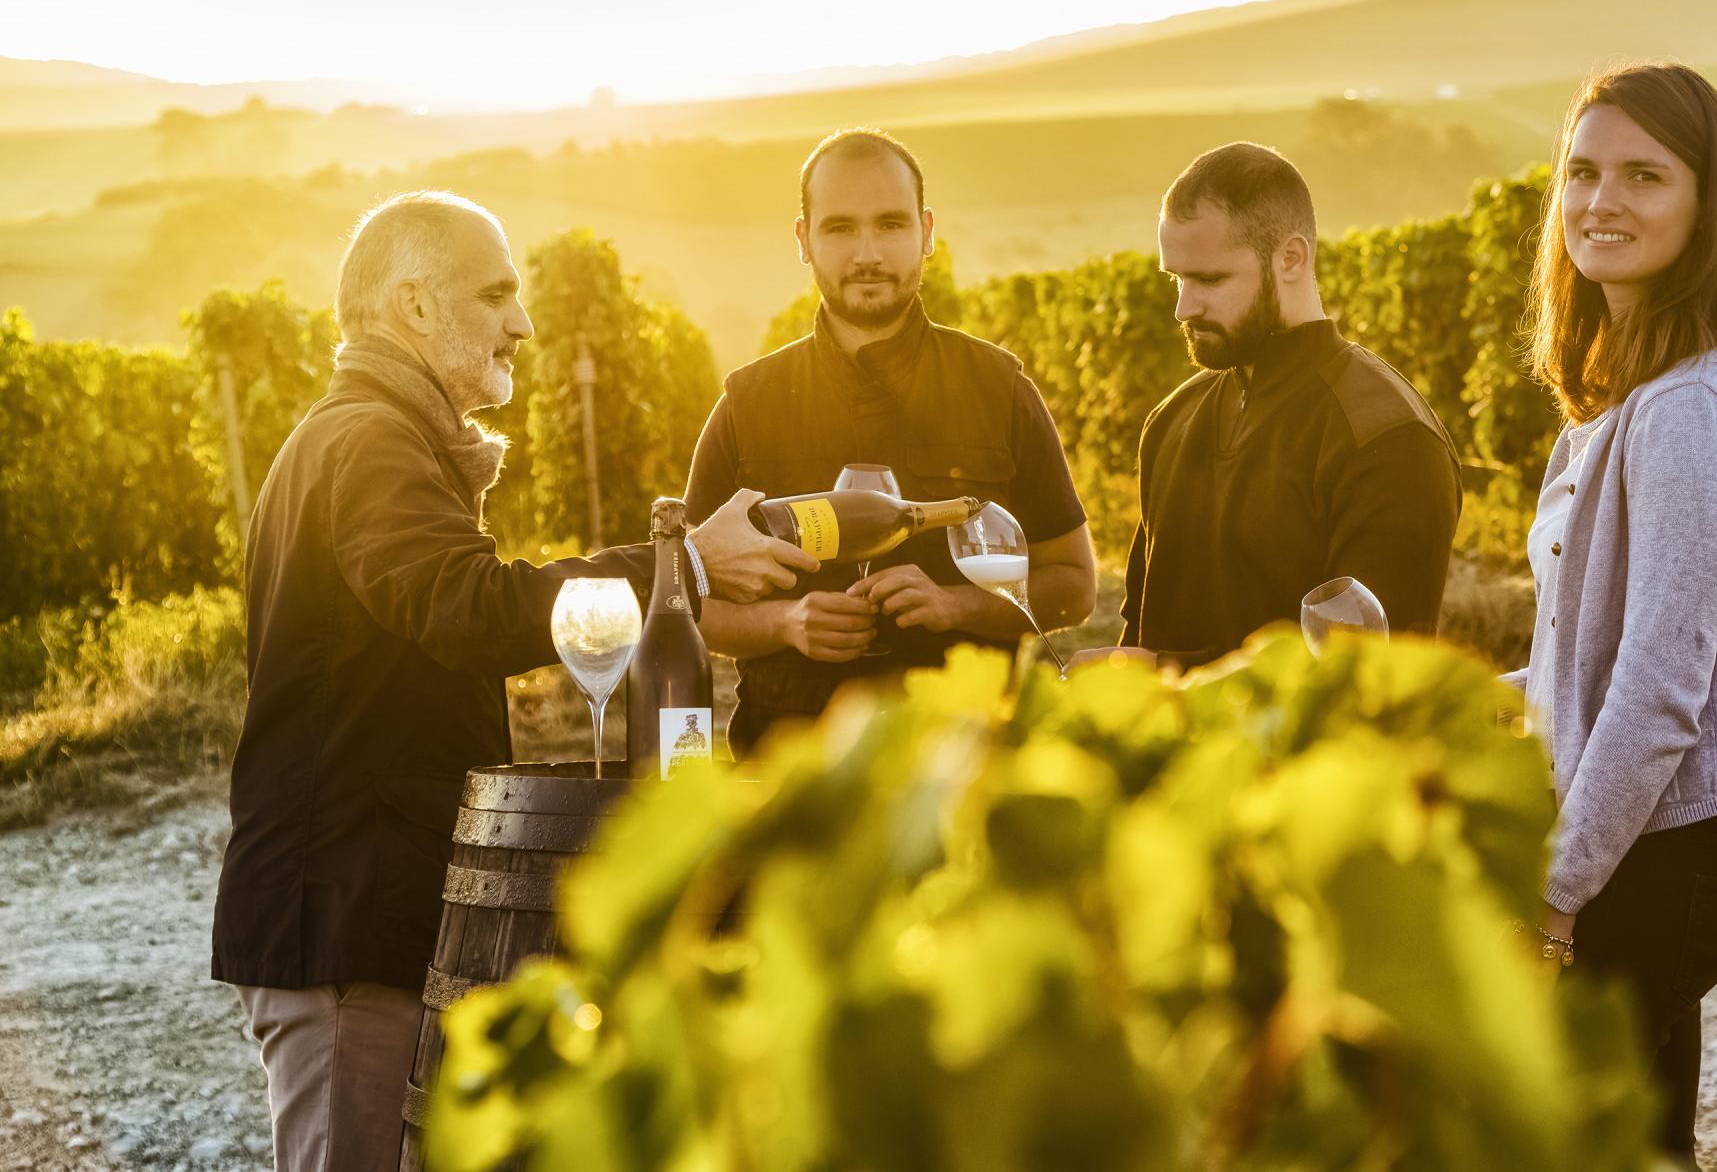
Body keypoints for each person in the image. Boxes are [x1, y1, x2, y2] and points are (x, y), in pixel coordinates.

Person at [209, 190, 814, 1172]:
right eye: (493, 294)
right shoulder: (366, 438)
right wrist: (682, 565)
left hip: (367, 905)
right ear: (412, 305)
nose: (522, 322)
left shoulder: (374, 434)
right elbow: (469, 606)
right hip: (340, 918)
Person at [1507, 62, 1717, 1169]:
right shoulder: (1629, 386)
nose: (1599, 201)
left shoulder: (1684, 411)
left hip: (1670, 857)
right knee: (1642, 1143)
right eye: (1580, 171)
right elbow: (1596, 651)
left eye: (1642, 174)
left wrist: (1551, 895)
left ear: (1704, 201)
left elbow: (1659, 690)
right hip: (1647, 842)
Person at [686, 129, 1096, 751]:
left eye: (891, 225)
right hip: (788, 774)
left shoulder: (1000, 390)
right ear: (804, 240)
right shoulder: (747, 405)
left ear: (927, 233)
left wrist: (958, 606)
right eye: (841, 228)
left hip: (968, 766)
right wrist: (786, 622)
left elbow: (1074, 586)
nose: (868, 253)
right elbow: (690, 600)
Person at [1112, 142, 1460, 666]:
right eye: (1176, 278)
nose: (1184, 307)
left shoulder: (1387, 439)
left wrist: (1163, 673)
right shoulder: (1171, 421)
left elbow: (1363, 685)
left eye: (1209, 279)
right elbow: (1138, 636)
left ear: (1291, 258)